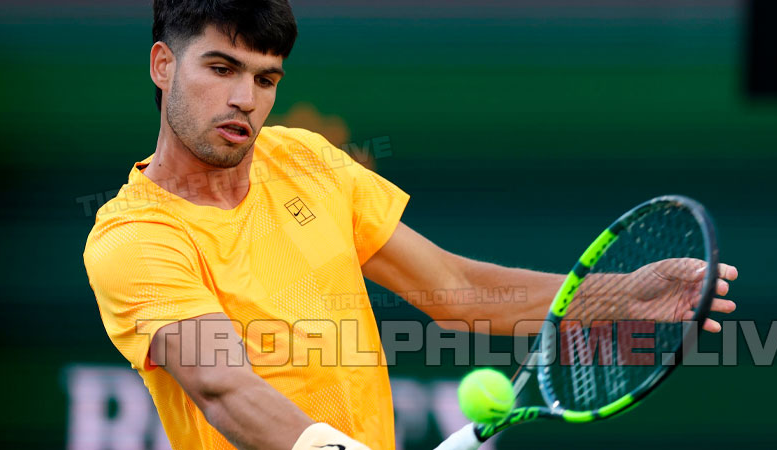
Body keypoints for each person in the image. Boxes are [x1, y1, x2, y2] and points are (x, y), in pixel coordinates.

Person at [83, 1, 739, 450]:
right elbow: (224, 385)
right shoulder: (134, 238)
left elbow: (457, 291)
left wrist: (623, 295)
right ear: (163, 65)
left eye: (265, 78)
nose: (244, 100)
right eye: (222, 68)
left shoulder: (304, 159)